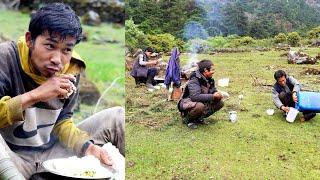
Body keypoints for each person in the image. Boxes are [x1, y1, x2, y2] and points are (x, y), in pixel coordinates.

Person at [0, 3, 124, 179]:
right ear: (29, 40)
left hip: (51, 156)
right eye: (50, 46)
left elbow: (62, 122)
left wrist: (88, 147)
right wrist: (37, 94)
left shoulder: (71, 69)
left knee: (118, 116)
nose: (58, 60)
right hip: (13, 158)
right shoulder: (5, 58)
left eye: (67, 49)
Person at [178, 59, 224, 129]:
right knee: (199, 106)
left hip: (201, 102)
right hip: (187, 102)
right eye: (212, 70)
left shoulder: (210, 79)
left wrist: (217, 94)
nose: (213, 72)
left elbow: (213, 90)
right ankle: (188, 120)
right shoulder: (194, 78)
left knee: (220, 103)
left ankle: (198, 118)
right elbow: (195, 97)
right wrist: (213, 96)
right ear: (205, 70)